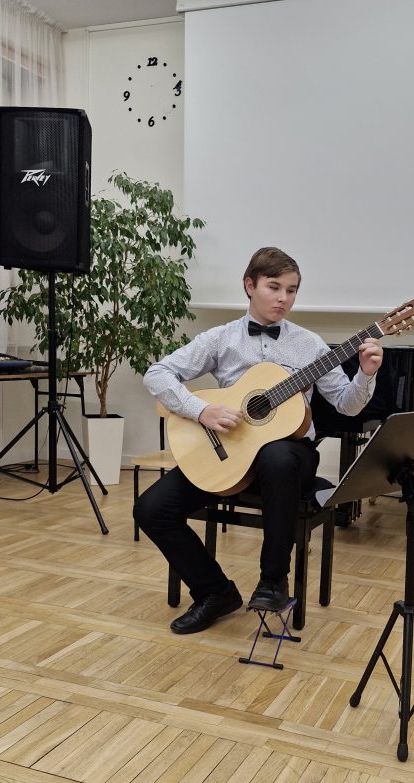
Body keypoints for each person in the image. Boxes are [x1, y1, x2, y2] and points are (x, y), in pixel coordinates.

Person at [133, 247, 385, 634]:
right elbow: (157, 373)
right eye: (274, 287)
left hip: (292, 456)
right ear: (250, 286)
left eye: (292, 290)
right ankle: (214, 592)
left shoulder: (310, 345)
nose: (283, 298)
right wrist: (201, 410)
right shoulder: (221, 338)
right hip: (231, 451)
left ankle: (272, 582)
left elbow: (347, 406)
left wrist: (365, 374)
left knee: (277, 457)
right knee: (151, 509)